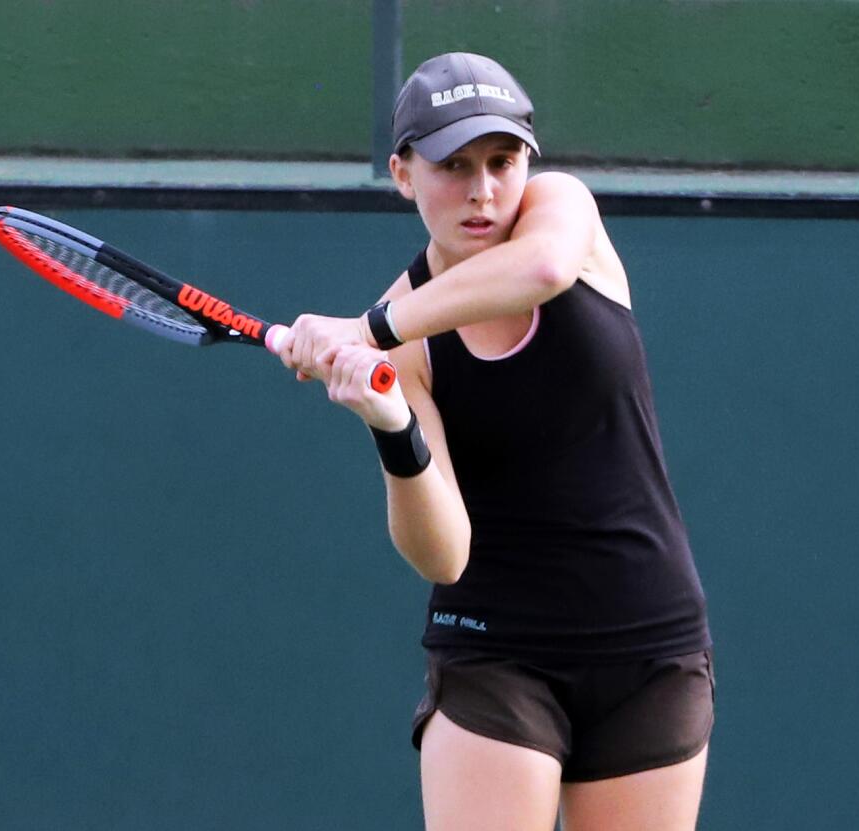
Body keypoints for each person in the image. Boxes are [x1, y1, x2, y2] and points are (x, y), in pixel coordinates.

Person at [276, 52, 713, 831]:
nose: (483, 190)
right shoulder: (402, 344)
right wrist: (391, 423)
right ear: (403, 174)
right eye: (453, 165)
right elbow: (443, 555)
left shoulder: (560, 213)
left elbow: (541, 266)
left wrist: (366, 331)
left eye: (501, 161)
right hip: (496, 650)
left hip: (650, 642)